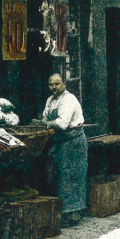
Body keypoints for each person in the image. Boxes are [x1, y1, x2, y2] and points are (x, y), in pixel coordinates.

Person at [34, 73, 87, 225]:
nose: (54, 88)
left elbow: (62, 124)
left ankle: (73, 214)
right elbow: (45, 117)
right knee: (59, 178)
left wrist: (46, 123)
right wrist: (47, 122)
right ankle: (62, 213)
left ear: (64, 84)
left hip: (73, 142)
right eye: (51, 84)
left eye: (57, 84)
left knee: (71, 177)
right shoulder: (50, 100)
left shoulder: (69, 100)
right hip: (59, 142)